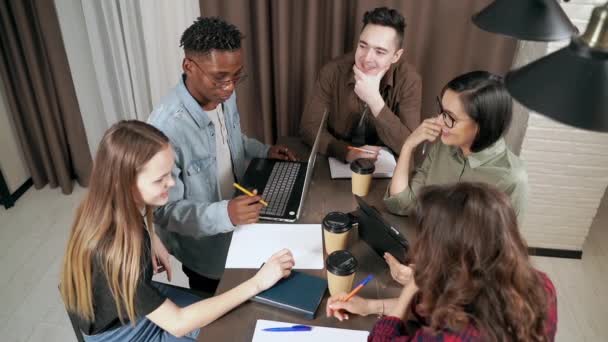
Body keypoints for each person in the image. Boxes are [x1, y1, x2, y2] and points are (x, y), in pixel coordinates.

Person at [59, 121, 294, 341]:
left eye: (170, 173)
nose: (171, 184)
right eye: (160, 180)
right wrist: (258, 282)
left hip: (133, 305)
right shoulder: (115, 255)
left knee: (233, 317)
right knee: (233, 329)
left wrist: (152, 239)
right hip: (125, 332)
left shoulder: (107, 202)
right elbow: (178, 323)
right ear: (126, 184)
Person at [148, 17, 296, 294]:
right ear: (188, 66)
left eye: (236, 75)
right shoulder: (165, 129)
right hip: (206, 252)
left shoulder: (224, 97)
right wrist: (226, 213)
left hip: (241, 220)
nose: (230, 86)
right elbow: (163, 211)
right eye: (220, 77)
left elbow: (231, 140)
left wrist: (264, 151)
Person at [326, 182, 557, 341]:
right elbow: (445, 306)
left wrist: (409, 291)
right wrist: (370, 307)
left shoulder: (455, 335)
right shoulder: (540, 286)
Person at [385, 70, 528, 220]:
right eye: (441, 110)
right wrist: (408, 145)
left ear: (482, 125)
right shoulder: (444, 146)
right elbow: (403, 205)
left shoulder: (512, 179)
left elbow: (504, 242)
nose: (439, 121)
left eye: (450, 117)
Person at [299, 6, 421, 162]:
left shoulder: (410, 80)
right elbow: (309, 127)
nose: (366, 58)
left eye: (380, 52)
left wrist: (375, 101)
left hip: (382, 166)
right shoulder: (333, 71)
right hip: (336, 158)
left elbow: (409, 146)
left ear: (396, 56)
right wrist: (346, 152)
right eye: (363, 46)